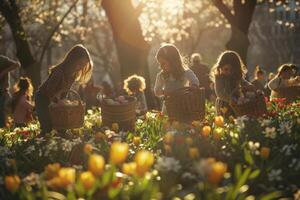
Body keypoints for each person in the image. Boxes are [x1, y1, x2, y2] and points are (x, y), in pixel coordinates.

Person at [35, 44, 93, 135]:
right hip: (43, 99)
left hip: (55, 102)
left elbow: (65, 93)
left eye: (84, 65)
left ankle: (59, 145)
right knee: (48, 127)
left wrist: (65, 103)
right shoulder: (59, 72)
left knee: (62, 126)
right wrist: (58, 101)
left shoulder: (73, 75)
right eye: (80, 64)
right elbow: (49, 91)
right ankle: (40, 146)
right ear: (72, 60)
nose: (81, 67)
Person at [154, 43, 199, 113]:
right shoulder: (161, 75)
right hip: (168, 107)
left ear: (173, 61)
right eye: (160, 64)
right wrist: (164, 92)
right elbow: (157, 91)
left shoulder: (185, 72)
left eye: (163, 63)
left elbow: (195, 81)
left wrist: (192, 87)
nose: (161, 66)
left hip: (183, 106)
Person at [210, 51, 253, 118]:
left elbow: (243, 82)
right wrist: (229, 99)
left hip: (237, 103)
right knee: (226, 121)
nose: (229, 72)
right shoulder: (219, 78)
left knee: (238, 120)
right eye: (226, 69)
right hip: (224, 104)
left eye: (232, 70)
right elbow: (219, 92)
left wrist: (249, 85)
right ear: (220, 67)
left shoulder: (235, 76)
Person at [0, 55, 20, 128]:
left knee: (1, 113)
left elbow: (17, 64)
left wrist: (4, 72)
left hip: (2, 91)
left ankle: (2, 132)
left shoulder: (2, 59)